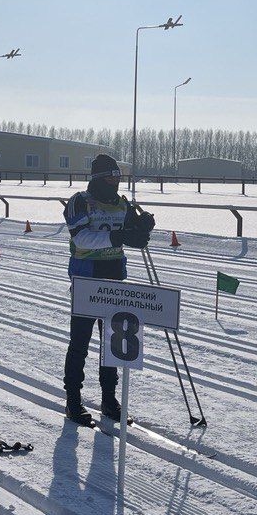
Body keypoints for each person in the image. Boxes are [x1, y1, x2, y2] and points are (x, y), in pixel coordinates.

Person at [63, 153, 154, 427]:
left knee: (112, 344)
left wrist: (141, 229)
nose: (116, 182)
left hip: (115, 278)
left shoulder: (122, 204)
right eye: (112, 178)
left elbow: (130, 236)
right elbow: (81, 238)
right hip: (87, 279)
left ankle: (109, 399)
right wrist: (118, 236)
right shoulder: (81, 201)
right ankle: (73, 400)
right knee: (79, 343)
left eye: (119, 178)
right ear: (99, 179)